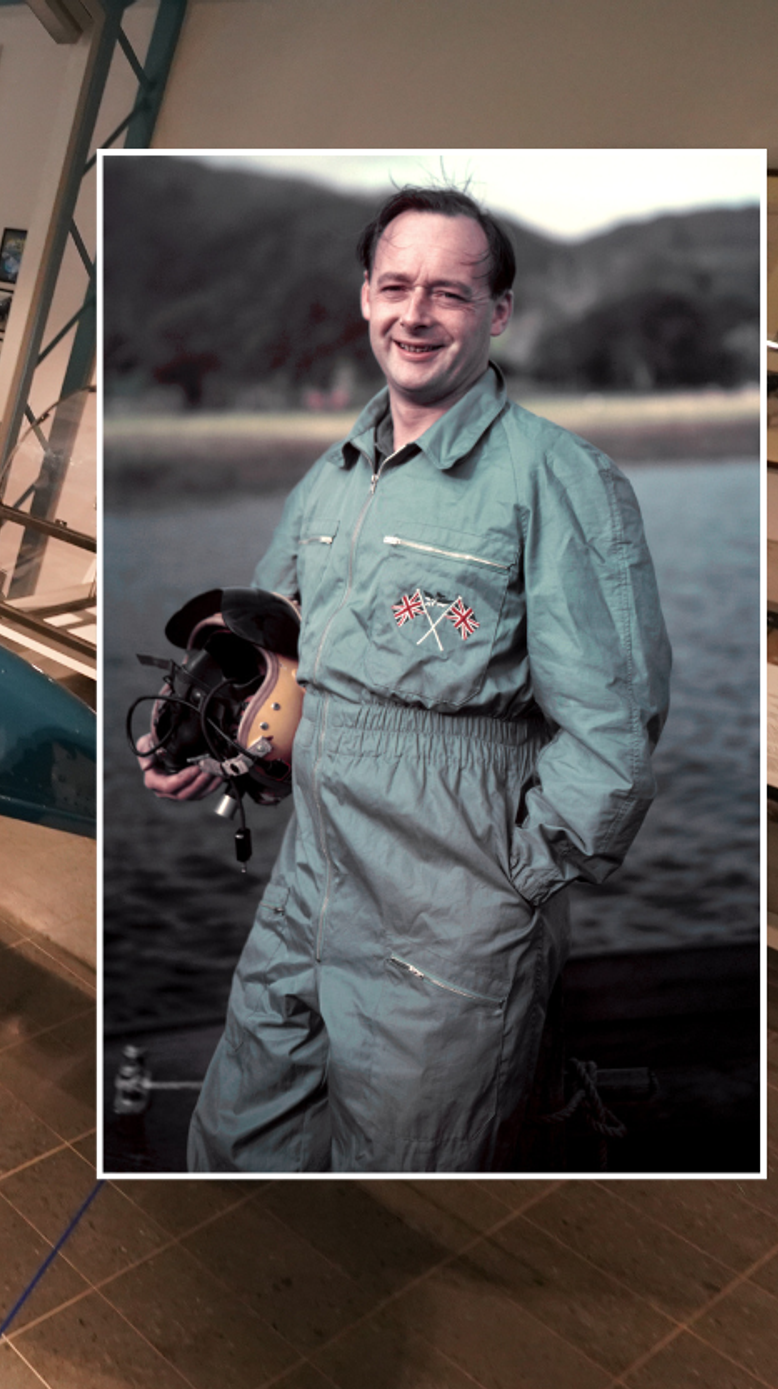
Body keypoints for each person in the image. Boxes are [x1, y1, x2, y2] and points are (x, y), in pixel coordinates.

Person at [138, 187, 670, 1172]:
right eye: (395, 286)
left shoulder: (557, 478)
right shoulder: (332, 477)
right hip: (309, 883)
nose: (414, 314)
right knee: (234, 1142)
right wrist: (219, 752)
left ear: (497, 313)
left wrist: (514, 884)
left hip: (454, 904)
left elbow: (615, 726)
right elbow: (274, 662)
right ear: (365, 299)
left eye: (448, 293)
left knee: (402, 1174)